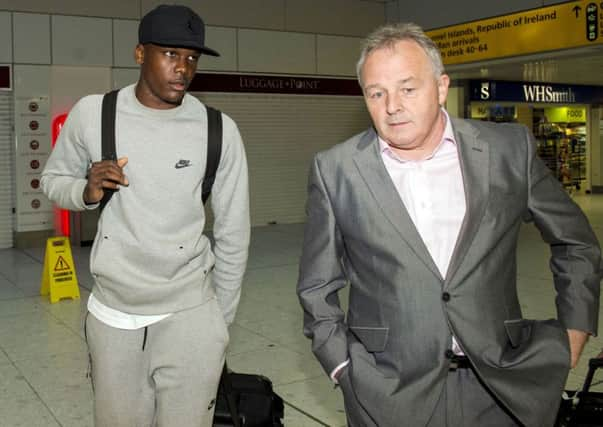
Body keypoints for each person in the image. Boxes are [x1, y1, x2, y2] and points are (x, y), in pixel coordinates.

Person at [297, 23, 601, 427]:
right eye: (376, 93)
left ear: (441, 87)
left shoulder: (508, 150)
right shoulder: (336, 170)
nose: (392, 106)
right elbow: (317, 286)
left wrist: (574, 330)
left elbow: (575, 241)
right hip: (389, 391)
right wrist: (343, 367)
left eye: (408, 88)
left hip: (501, 382)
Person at [41, 5, 250, 426]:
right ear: (140, 54)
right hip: (114, 316)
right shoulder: (93, 114)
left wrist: (218, 323)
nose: (183, 68)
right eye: (171, 54)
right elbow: (52, 179)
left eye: (192, 58)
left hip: (192, 317)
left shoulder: (218, 130)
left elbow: (233, 232)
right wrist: (86, 189)